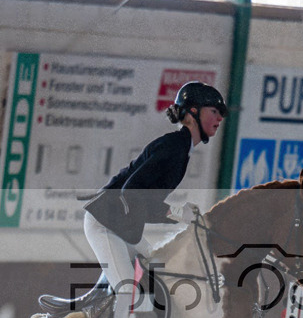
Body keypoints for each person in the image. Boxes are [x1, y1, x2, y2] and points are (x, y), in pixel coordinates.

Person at [82, 81, 227, 291]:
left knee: (161, 273)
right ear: (193, 111)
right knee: (127, 291)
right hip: (105, 223)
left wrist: (180, 216)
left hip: (123, 225)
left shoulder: (182, 148)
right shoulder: (174, 146)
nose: (220, 118)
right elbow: (131, 193)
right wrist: (176, 212)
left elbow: (143, 203)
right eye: (214, 111)